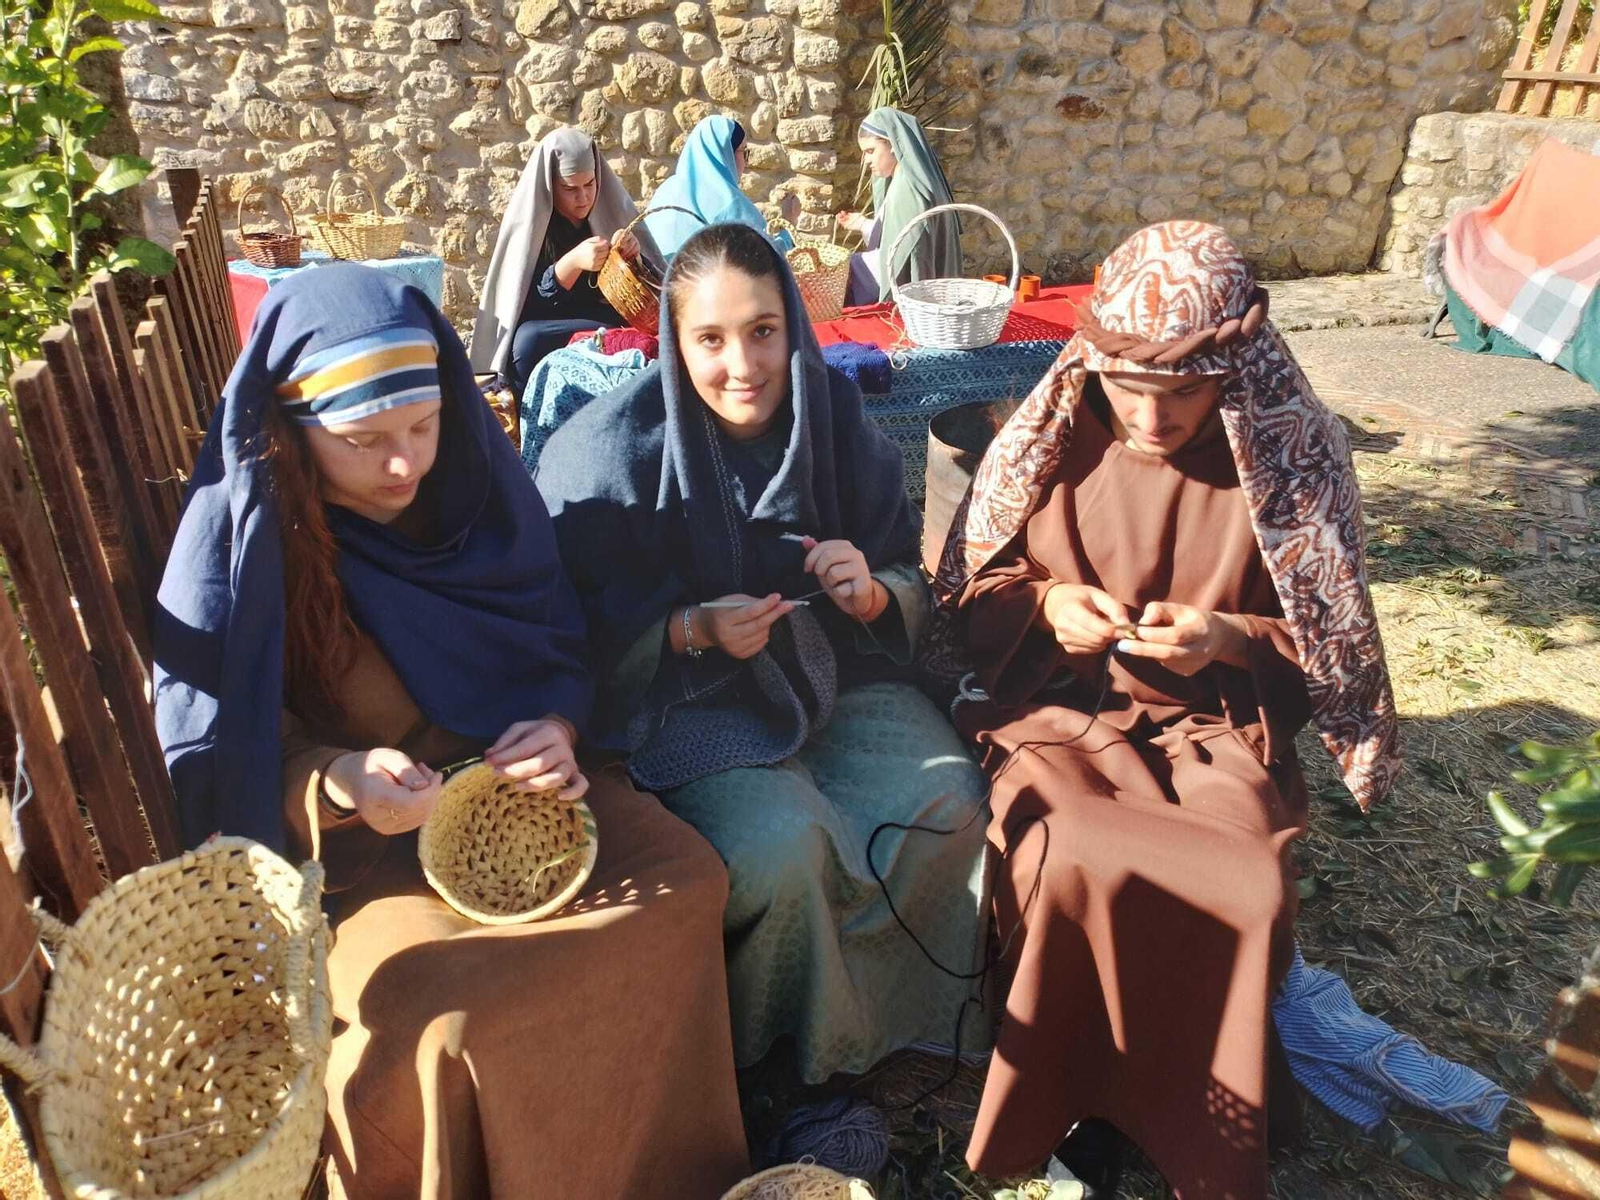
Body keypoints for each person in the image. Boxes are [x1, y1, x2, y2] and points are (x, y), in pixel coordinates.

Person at [153, 265, 749, 1198]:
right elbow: (219, 749)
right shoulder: (253, 547)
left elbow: (555, 634)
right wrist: (338, 779)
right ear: (293, 433)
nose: (405, 465)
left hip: (529, 805)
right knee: (446, 1017)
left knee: (686, 881)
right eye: (364, 440)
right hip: (364, 857)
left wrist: (554, 721)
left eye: (423, 425)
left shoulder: (472, 487)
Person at [925, 221, 1401, 1197]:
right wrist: (1050, 604)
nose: (1147, 416)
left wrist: (1222, 639)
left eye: (1179, 393)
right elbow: (970, 583)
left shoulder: (1286, 458)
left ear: (1229, 373)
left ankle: (1194, 1122)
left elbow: (1319, 647)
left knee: (1237, 874)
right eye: (1127, 388)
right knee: (1079, 853)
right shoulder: (1057, 427)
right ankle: (1072, 1104)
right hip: (1052, 708)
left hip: (1211, 727)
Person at [536, 223, 991, 1084]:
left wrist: (870, 590)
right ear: (673, 342)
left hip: (839, 676)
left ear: (793, 326)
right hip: (690, 701)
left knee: (949, 798)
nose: (742, 366)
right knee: (780, 852)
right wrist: (688, 629)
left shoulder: (835, 418)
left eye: (763, 332)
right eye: (710, 339)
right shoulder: (606, 456)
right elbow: (565, 636)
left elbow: (902, 565)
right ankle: (794, 1069)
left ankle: (912, 1026)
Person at [470, 126, 658, 400]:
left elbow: (649, 289)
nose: (583, 198)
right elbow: (520, 303)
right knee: (527, 341)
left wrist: (632, 257)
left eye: (590, 184)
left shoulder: (609, 212)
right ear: (549, 185)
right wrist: (570, 264)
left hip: (603, 317)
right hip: (546, 323)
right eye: (570, 188)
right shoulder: (530, 227)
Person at [837, 107, 961, 305]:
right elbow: (895, 238)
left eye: (871, 151)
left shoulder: (908, 192)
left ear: (894, 144)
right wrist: (862, 224)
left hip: (916, 307)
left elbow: (900, 260)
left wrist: (849, 267)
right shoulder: (901, 181)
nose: (866, 160)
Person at [642, 115, 800, 260]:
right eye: (743, 152)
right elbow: (764, 261)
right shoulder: (727, 202)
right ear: (726, 154)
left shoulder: (667, 188)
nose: (746, 162)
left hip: (651, 285)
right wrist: (788, 224)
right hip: (698, 288)